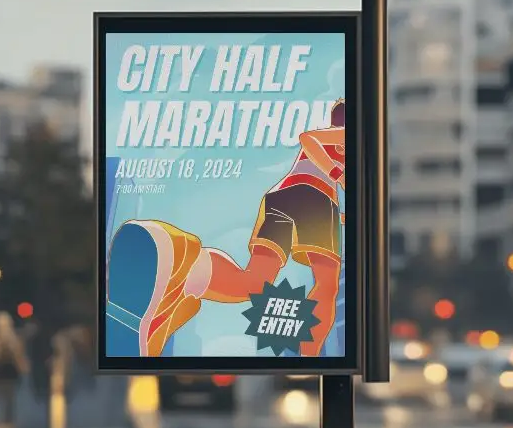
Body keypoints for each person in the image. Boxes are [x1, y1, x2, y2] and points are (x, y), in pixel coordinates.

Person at [107, 99, 346, 357]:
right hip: (314, 200)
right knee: (327, 285)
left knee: (253, 283)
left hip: (283, 197)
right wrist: (339, 176)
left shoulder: (339, 145)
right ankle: (309, 360)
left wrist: (340, 213)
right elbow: (308, 138)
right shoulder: (344, 135)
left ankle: (189, 268)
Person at [0, 312, 29, 424]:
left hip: (4, 372)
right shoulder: (7, 340)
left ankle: (3, 420)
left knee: (5, 398)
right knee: (6, 398)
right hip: (4, 372)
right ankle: (4, 419)